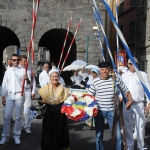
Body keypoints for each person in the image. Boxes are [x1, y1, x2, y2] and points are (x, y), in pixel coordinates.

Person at [88, 61, 132, 150]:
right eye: (102, 69)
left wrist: (130, 100)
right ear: (99, 70)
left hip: (112, 111)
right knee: (99, 135)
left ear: (109, 70)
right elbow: (89, 95)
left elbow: (125, 89)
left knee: (118, 136)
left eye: (106, 69)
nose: (104, 71)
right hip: (98, 111)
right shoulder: (95, 82)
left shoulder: (115, 79)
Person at [0, 54, 30, 144]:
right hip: (10, 95)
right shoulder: (7, 71)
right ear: (11, 61)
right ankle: (5, 136)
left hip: (19, 95)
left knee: (18, 117)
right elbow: (4, 85)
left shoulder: (23, 70)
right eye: (14, 60)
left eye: (17, 60)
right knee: (6, 116)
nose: (16, 61)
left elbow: (28, 84)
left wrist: (27, 79)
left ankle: (16, 135)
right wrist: (3, 97)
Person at [121, 57, 150, 150]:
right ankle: (130, 146)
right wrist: (120, 99)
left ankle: (141, 146)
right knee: (128, 126)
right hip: (127, 104)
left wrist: (149, 103)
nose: (133, 65)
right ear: (128, 65)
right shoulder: (123, 76)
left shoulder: (143, 74)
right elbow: (120, 90)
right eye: (131, 64)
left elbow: (148, 89)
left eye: (135, 63)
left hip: (139, 103)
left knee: (140, 125)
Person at [38, 69, 70, 150]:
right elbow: (39, 101)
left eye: (56, 76)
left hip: (61, 114)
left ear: (59, 77)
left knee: (60, 131)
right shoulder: (45, 89)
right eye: (53, 76)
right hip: (49, 114)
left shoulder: (64, 89)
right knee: (48, 133)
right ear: (50, 77)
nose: (55, 78)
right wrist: (42, 101)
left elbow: (69, 101)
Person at [19, 55, 36, 134]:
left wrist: (33, 92)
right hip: (20, 91)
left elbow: (33, 81)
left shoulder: (30, 69)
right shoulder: (17, 69)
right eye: (24, 61)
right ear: (20, 61)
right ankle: (21, 125)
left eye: (26, 61)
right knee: (20, 110)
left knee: (27, 110)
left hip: (28, 91)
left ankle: (27, 126)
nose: (26, 63)